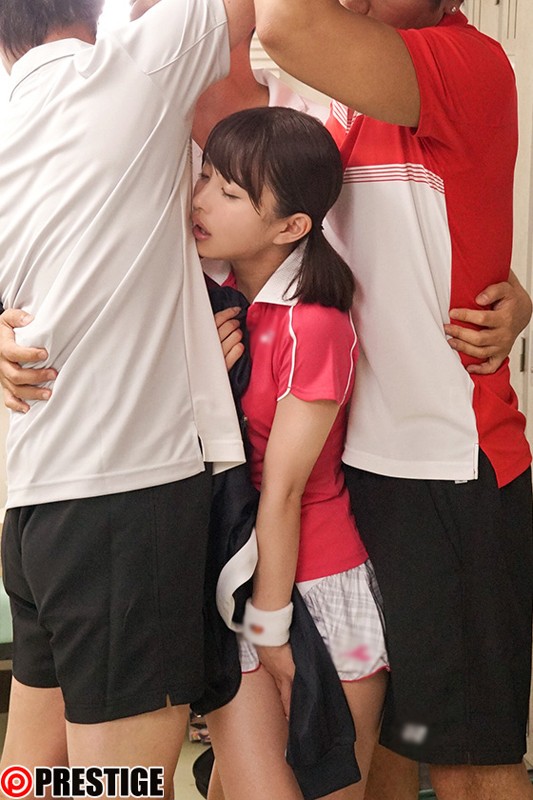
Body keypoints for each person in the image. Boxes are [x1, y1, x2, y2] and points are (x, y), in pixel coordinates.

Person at [246, 2, 533, 800]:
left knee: (467, 759)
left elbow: (285, 24)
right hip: (341, 478)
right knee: (384, 746)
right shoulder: (307, 93)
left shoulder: (462, 61)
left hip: (441, 470)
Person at [0, 0, 253, 793]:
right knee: (122, 785)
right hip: (123, 496)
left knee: (32, 775)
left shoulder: (10, 124)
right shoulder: (128, 69)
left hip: (36, 505)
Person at [195, 104, 388, 800]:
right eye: (205, 177)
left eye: (229, 192)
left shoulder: (314, 324)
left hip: (322, 593)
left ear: (290, 226)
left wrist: (273, 628)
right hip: (234, 582)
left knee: (331, 785)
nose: (201, 200)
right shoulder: (208, 301)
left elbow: (282, 489)